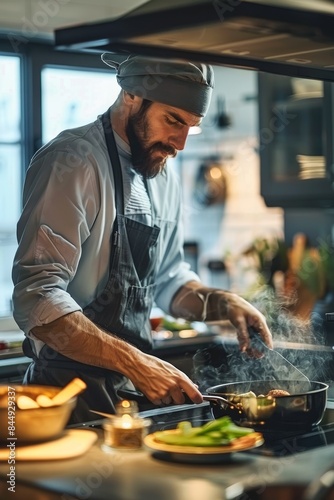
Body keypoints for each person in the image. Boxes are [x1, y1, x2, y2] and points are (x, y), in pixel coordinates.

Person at [12, 54, 272, 423]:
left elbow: (168, 281)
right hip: (63, 400)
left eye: (191, 127)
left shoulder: (162, 176)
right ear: (131, 94)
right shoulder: (72, 161)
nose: (180, 143)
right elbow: (37, 297)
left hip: (129, 401)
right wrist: (137, 363)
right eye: (173, 121)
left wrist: (224, 303)